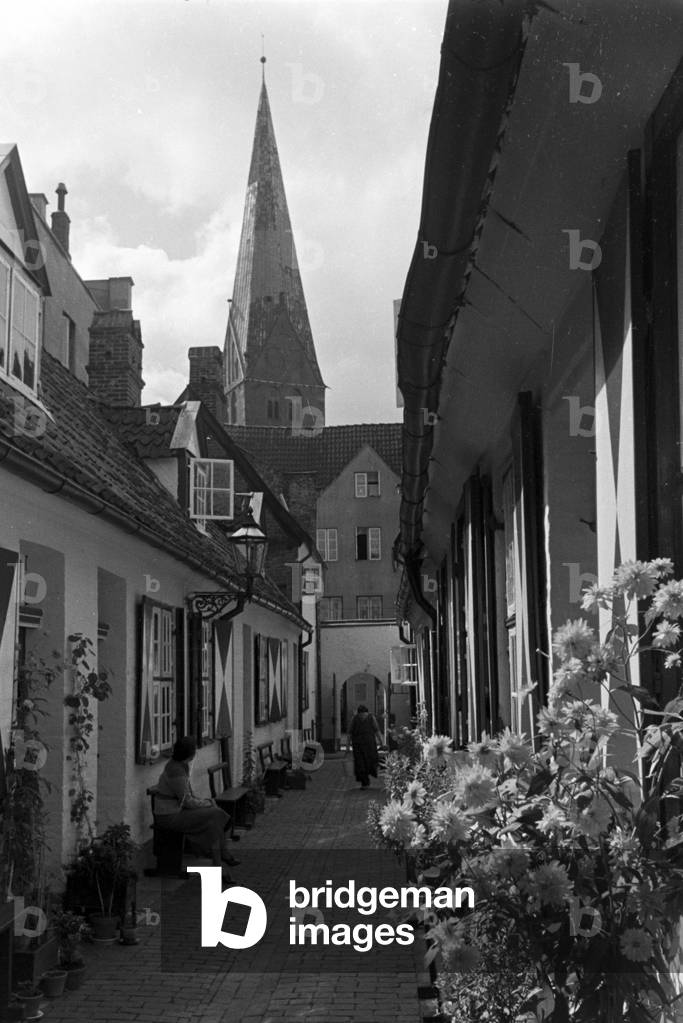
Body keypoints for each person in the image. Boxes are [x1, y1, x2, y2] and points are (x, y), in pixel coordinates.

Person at [153, 736, 239, 881]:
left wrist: (205, 802)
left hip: (177, 810)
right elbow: (187, 801)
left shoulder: (181, 766)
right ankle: (222, 856)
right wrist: (206, 803)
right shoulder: (175, 770)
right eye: (194, 750)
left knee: (214, 822)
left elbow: (189, 795)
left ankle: (219, 864)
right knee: (215, 815)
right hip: (169, 815)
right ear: (189, 753)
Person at [348, 705, 382, 788]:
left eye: (364, 715)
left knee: (365, 762)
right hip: (363, 745)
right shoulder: (360, 718)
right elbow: (350, 733)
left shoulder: (365, 718)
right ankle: (365, 781)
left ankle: (366, 780)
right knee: (364, 763)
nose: (363, 716)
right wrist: (347, 746)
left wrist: (381, 742)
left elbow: (377, 730)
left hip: (364, 744)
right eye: (361, 715)